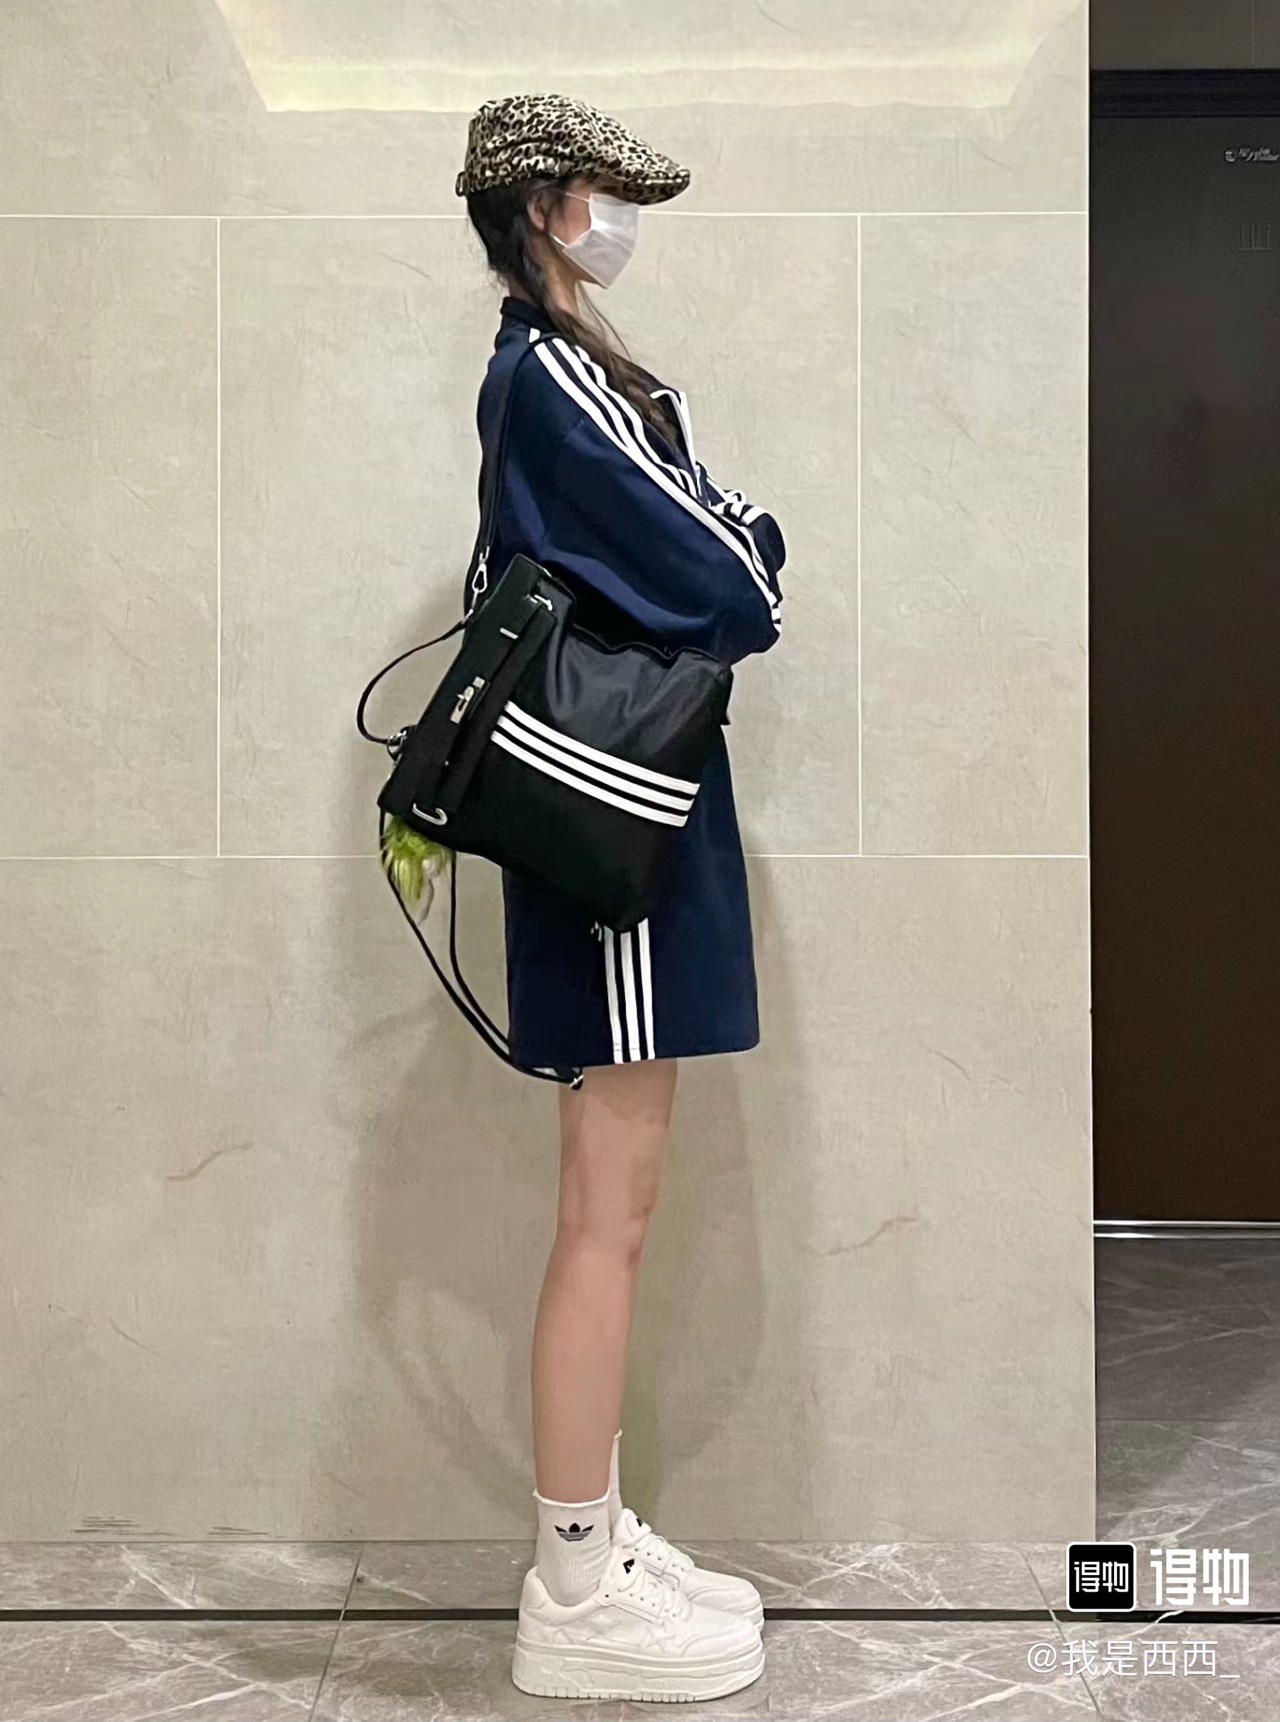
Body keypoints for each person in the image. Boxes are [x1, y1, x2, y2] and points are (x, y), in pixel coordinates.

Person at [455, 93, 786, 1704]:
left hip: (621, 821)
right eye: (604, 190)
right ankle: (576, 1584)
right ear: (543, 206)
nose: (622, 217)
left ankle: (587, 1548)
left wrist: (732, 544)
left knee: (613, 1204)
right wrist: (759, 542)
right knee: (610, 1206)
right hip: (618, 835)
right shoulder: (554, 373)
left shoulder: (559, 368)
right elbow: (729, 573)